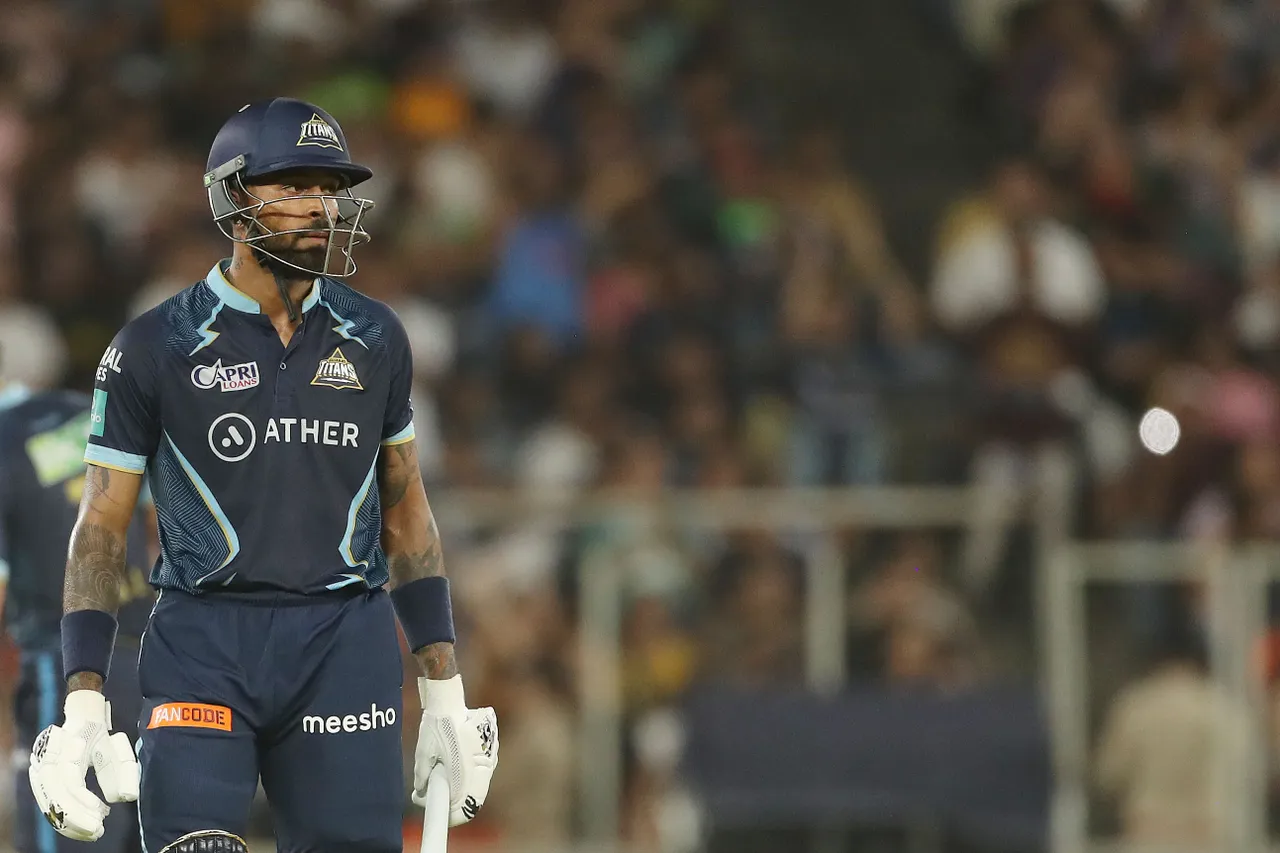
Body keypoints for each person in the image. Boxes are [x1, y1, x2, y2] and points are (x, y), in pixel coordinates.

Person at [26, 98, 499, 853]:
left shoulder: (377, 336)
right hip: (202, 643)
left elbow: (406, 509)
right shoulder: (156, 344)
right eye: (294, 186)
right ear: (233, 201)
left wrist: (444, 689)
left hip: (343, 643)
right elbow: (101, 527)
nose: (320, 206)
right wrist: (84, 698)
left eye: (328, 188)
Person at [0, 373, 156, 853]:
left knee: (70, 830)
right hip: (152, 660)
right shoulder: (83, 409)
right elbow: (156, 527)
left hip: (64, 670)